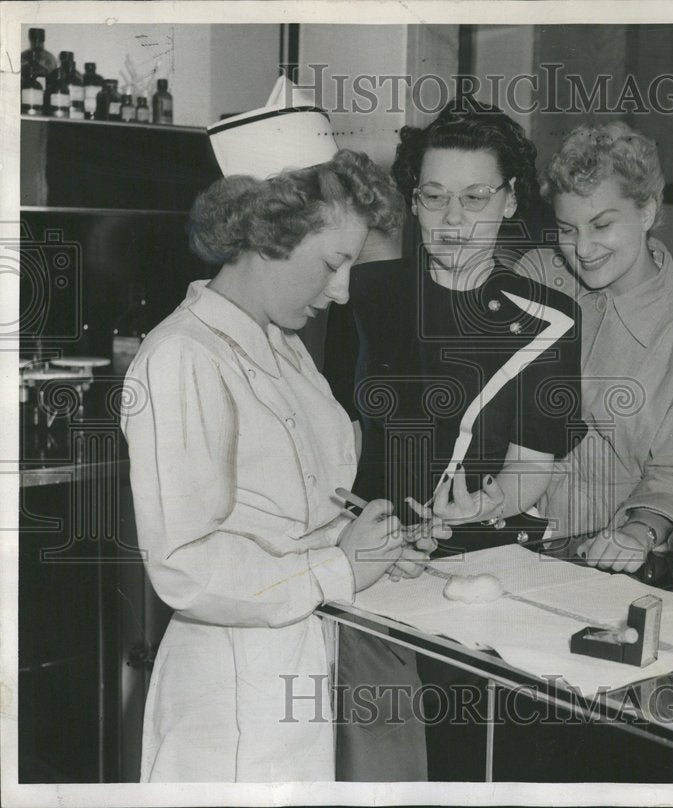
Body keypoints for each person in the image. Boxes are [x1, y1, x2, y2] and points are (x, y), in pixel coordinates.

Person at [121, 93, 438, 781]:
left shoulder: (285, 348)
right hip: (229, 701)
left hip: (299, 668)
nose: (345, 291)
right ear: (269, 233)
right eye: (333, 263)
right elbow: (186, 566)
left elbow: (296, 512)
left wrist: (372, 550)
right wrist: (340, 568)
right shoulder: (183, 358)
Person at [323, 98, 584, 781]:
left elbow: (533, 466)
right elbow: (330, 442)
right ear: (412, 201)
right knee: (376, 771)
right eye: (433, 197)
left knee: (476, 766)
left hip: (481, 577)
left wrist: (487, 502)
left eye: (474, 197)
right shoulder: (363, 293)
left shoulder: (549, 321)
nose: (453, 220)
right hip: (365, 573)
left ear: (509, 200)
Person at [517, 121, 673, 572]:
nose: (582, 249)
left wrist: (634, 534)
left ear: (646, 212)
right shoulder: (537, 276)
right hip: (500, 538)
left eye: (602, 225)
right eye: (567, 229)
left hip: (604, 556)